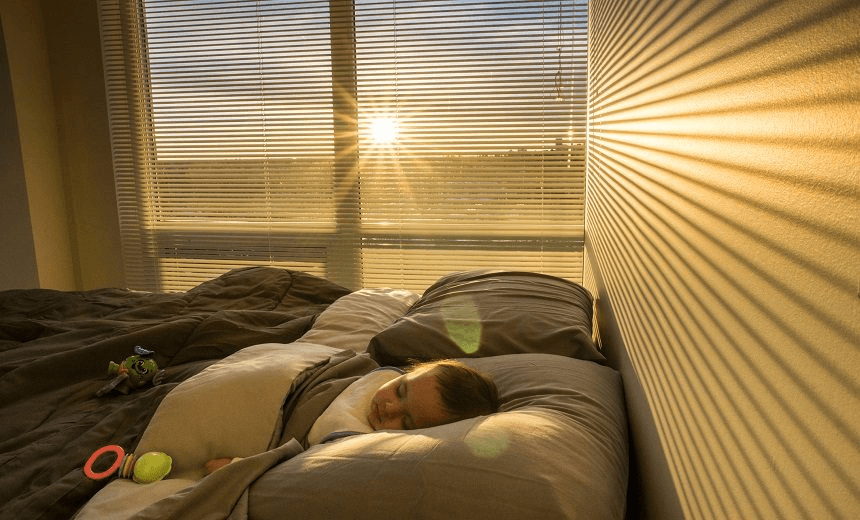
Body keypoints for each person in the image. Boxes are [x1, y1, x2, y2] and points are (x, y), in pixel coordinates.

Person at [205, 359, 498, 474]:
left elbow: (295, 468)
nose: (389, 407)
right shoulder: (370, 374)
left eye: (405, 422)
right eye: (400, 390)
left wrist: (236, 468)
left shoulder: (354, 444)